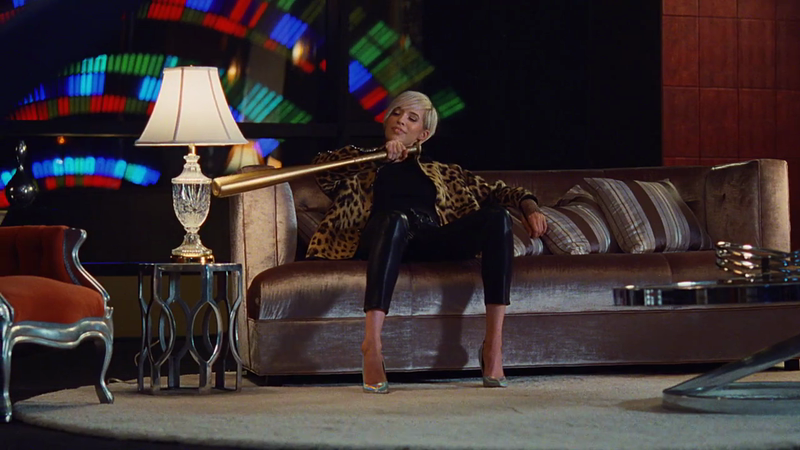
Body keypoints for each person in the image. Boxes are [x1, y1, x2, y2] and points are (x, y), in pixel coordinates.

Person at [307, 91, 547, 393]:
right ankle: (373, 346)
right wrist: (377, 156)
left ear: (423, 133)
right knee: (395, 219)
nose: (400, 120)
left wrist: (529, 206)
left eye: (412, 118)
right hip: (382, 236)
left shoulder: (445, 172)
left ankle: (494, 346)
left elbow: (499, 191)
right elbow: (324, 168)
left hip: (430, 236)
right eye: (396, 113)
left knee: (497, 217)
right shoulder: (364, 164)